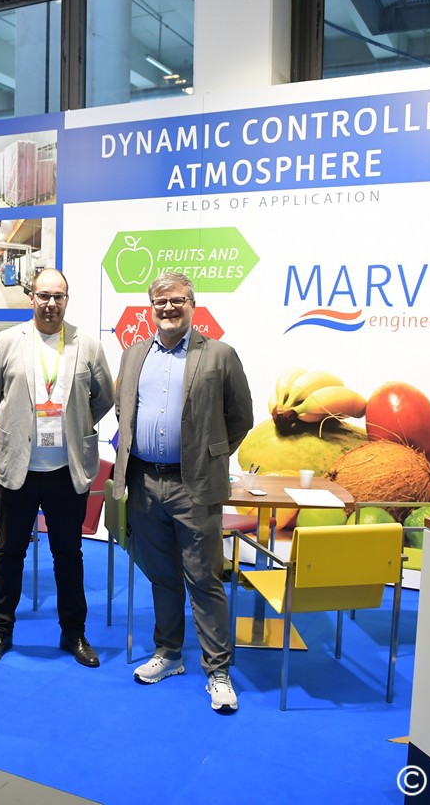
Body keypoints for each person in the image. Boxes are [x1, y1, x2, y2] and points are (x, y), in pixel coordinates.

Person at [111, 271, 254, 712]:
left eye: (177, 301)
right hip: (143, 483)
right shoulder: (134, 354)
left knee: (203, 579)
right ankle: (169, 653)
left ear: (192, 305)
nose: (169, 308)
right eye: (161, 302)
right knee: (162, 576)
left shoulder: (219, 355)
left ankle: (218, 671)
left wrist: (209, 455)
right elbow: (122, 409)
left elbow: (241, 417)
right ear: (151, 308)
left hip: (194, 485)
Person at [0, 268, 115, 668]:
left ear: (66, 300)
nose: (50, 303)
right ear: (31, 298)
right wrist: (17, 423)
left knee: (68, 554)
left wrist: (74, 424)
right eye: (43, 296)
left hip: (66, 470)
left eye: (58, 296)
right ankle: (0, 631)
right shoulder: (7, 342)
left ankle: (74, 634)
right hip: (17, 468)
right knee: (9, 553)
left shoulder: (88, 345)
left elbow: (104, 397)